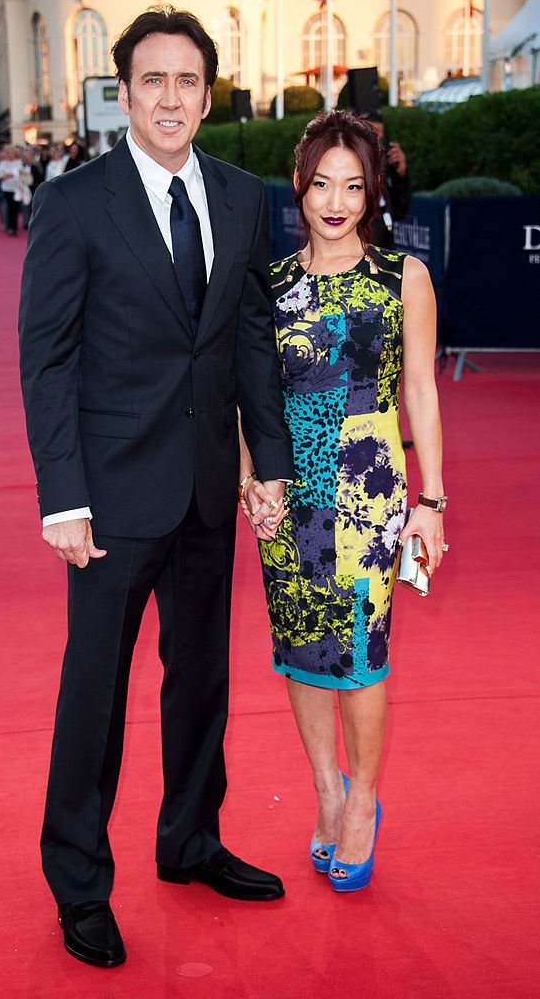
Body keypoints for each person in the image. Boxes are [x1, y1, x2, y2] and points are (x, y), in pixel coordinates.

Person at [19, 6, 294, 969]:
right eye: (152, 81)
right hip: (107, 494)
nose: (170, 98)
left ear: (206, 95)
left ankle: (189, 841)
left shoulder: (242, 195)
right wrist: (63, 496)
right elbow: (46, 358)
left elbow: (251, 340)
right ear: (124, 91)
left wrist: (276, 465)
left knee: (201, 681)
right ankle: (78, 882)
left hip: (207, 489)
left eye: (187, 82)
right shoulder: (76, 201)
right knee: (92, 692)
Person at [239, 110, 446, 893]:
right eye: (321, 183)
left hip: (366, 485)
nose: (335, 200)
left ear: (372, 192)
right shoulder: (274, 283)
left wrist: (433, 498)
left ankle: (361, 801)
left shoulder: (401, 279)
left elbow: (420, 389)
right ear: (299, 184)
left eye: (352, 185)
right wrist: (248, 480)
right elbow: (247, 398)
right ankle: (324, 789)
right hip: (287, 490)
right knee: (298, 649)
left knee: (358, 657)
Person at [357, 109, 412, 248]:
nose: (377, 145)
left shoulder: (380, 177)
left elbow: (399, 211)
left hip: (383, 255)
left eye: (380, 139)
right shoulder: (347, 177)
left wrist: (400, 175)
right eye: (371, 137)